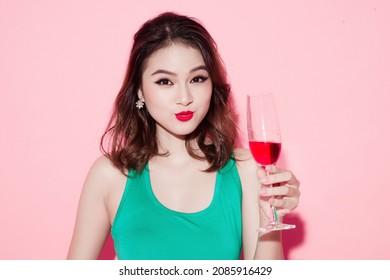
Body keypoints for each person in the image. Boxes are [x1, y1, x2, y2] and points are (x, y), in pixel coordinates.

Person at [67, 11, 300, 260]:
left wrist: (271, 218)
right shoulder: (110, 175)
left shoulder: (246, 171)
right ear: (139, 91)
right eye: (165, 82)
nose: (185, 98)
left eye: (197, 79)